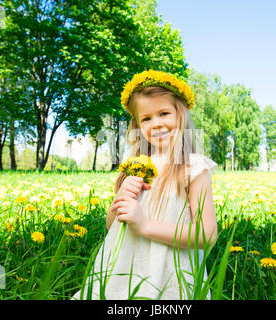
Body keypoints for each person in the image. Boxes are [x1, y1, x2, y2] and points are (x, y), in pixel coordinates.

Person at [72, 70, 218, 300]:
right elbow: (112, 226)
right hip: (124, 272)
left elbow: (207, 234)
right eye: (147, 118)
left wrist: (144, 226)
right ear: (137, 125)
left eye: (164, 113)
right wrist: (120, 200)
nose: (156, 123)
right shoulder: (134, 167)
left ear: (181, 114)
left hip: (169, 277)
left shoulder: (192, 167)